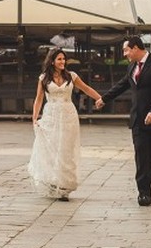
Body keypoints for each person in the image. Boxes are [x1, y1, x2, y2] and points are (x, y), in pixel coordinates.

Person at [102, 35, 151, 207]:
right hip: (137, 119)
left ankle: (145, 187)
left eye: (126, 50)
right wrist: (104, 99)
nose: (125, 54)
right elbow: (122, 85)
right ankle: (144, 193)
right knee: (141, 155)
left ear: (135, 48)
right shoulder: (132, 67)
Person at [27, 48, 104, 200]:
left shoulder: (72, 76)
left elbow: (86, 88)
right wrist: (34, 117)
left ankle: (65, 186)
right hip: (51, 116)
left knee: (66, 150)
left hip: (68, 115)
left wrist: (101, 98)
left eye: (64, 59)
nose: (63, 62)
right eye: (59, 59)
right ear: (52, 61)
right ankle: (53, 182)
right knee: (53, 149)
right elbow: (39, 98)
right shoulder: (43, 78)